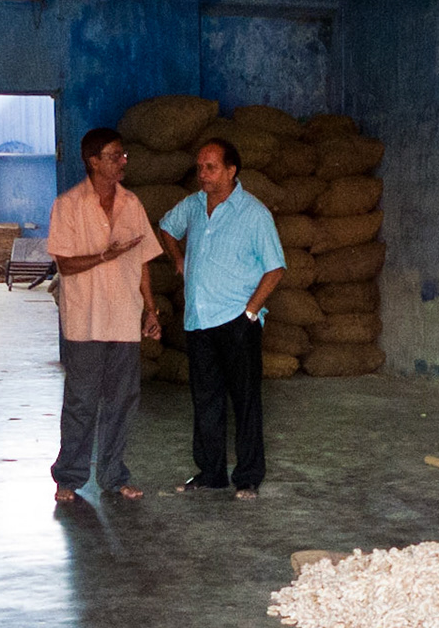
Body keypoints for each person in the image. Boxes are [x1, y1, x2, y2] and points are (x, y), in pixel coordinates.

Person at [155, 138, 286, 499]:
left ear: (231, 171)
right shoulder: (193, 206)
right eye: (200, 167)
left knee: (244, 402)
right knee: (206, 400)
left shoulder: (254, 213)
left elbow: (275, 269)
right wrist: (177, 259)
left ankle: (247, 477)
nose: (203, 174)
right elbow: (166, 226)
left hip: (236, 321)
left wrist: (250, 312)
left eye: (211, 167)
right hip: (198, 321)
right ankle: (211, 472)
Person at [47, 127, 163, 502]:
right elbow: (64, 264)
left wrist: (151, 309)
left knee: (121, 402)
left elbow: (143, 262)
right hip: (84, 322)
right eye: (115, 156)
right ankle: (69, 477)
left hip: (124, 319)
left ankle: (114, 476)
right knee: (81, 401)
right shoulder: (68, 205)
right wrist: (104, 256)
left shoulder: (132, 204)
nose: (122, 161)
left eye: (123, 155)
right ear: (93, 161)